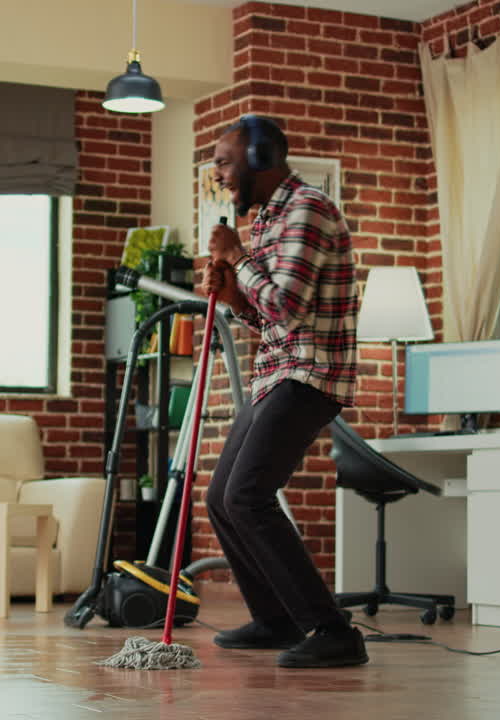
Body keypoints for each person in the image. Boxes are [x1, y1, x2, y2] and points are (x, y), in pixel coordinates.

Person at [203, 115, 366, 668]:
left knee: (247, 495)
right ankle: (273, 618)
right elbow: (271, 315)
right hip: (279, 372)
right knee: (222, 497)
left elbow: (290, 308)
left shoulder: (307, 209)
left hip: (309, 374)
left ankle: (333, 631)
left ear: (260, 157)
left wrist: (236, 259)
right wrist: (235, 299)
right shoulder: (272, 217)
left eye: (225, 161)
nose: (219, 174)